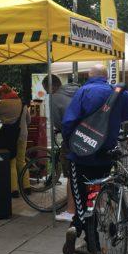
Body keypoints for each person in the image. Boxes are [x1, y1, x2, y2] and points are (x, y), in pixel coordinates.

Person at [61, 64, 128, 254]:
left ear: (89, 75)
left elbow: (68, 121)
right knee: (95, 196)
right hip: (104, 157)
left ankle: (84, 234)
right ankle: (85, 234)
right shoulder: (118, 93)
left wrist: (72, 142)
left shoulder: (83, 92)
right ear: (106, 77)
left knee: (81, 199)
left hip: (80, 156)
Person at [42, 75, 80, 222]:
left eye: (46, 89)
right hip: (89, 136)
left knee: (71, 174)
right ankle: (98, 204)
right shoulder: (76, 90)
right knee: (88, 172)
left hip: (72, 138)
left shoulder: (54, 97)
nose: (47, 93)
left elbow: (58, 121)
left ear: (51, 87)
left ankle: (71, 210)